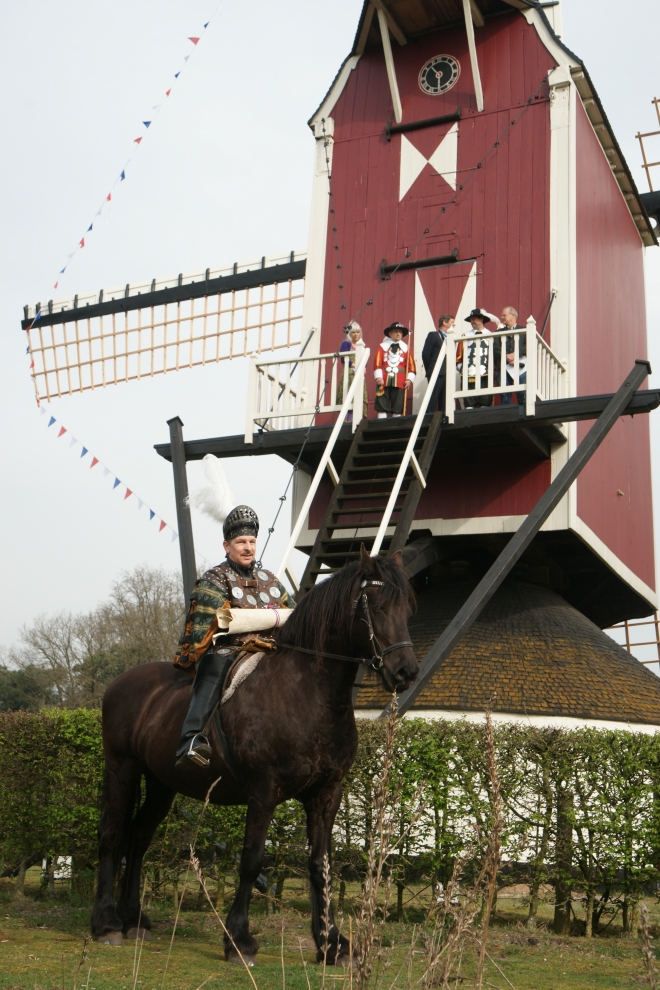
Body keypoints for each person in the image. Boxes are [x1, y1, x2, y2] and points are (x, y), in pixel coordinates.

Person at [173, 504, 294, 769]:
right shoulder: (215, 579)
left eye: (252, 541)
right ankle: (192, 738)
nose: (248, 547)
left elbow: (295, 617)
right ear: (227, 546)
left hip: (272, 649)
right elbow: (203, 631)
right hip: (230, 648)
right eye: (241, 542)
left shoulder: (271, 581)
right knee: (216, 662)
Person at [374, 322, 416, 418]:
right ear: (390, 334)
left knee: (398, 404)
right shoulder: (382, 347)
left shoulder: (406, 348)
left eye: (400, 332)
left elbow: (412, 367)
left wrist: (409, 379)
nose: (398, 334)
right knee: (382, 403)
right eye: (396, 331)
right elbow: (377, 362)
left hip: (400, 380)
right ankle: (381, 424)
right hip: (384, 378)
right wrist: (379, 376)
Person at [457, 308, 497, 408]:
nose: (472, 321)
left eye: (474, 319)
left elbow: (495, 353)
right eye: (471, 319)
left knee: (485, 398)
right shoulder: (465, 335)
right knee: (468, 399)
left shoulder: (490, 335)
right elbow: (459, 355)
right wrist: (461, 367)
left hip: (486, 371)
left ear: (481, 319)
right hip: (469, 371)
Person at [422, 314, 454, 415]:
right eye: (452, 322)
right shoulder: (433, 335)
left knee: (444, 398)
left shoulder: (451, 337)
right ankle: (429, 415)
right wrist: (431, 370)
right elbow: (425, 354)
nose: (454, 324)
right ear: (444, 322)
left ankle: (442, 416)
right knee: (433, 396)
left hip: (447, 373)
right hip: (436, 371)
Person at [336, 321, 368, 420]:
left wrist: (363, 367)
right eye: (353, 332)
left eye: (358, 332)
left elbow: (364, 361)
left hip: (358, 375)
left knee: (358, 395)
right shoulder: (346, 344)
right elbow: (343, 359)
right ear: (350, 334)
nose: (356, 334)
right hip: (348, 374)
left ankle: (357, 418)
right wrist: (355, 365)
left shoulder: (362, 346)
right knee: (349, 394)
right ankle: (347, 419)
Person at [497, 306, 526, 406]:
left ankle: (524, 410)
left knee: (522, 390)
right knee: (504, 391)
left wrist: (515, 355)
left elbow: (529, 347)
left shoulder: (524, 330)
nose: (502, 317)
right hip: (504, 365)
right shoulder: (498, 332)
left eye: (504, 315)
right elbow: (496, 348)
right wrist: (507, 357)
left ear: (512, 316)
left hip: (521, 364)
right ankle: (506, 411)